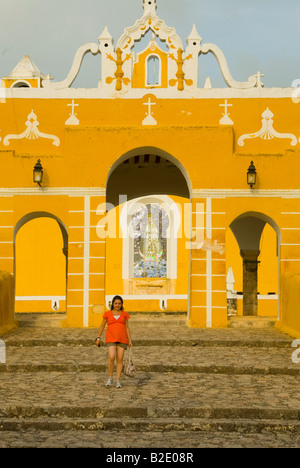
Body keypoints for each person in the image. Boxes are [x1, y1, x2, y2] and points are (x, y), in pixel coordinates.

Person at [95, 295, 132, 388]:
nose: (117, 305)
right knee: (111, 357)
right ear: (113, 304)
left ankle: (118, 380)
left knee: (120, 359)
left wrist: (130, 340)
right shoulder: (107, 314)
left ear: (121, 304)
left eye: (119, 303)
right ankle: (110, 377)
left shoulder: (125, 314)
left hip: (122, 339)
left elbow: (127, 328)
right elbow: (102, 326)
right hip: (111, 338)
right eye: (116, 303)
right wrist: (98, 337)